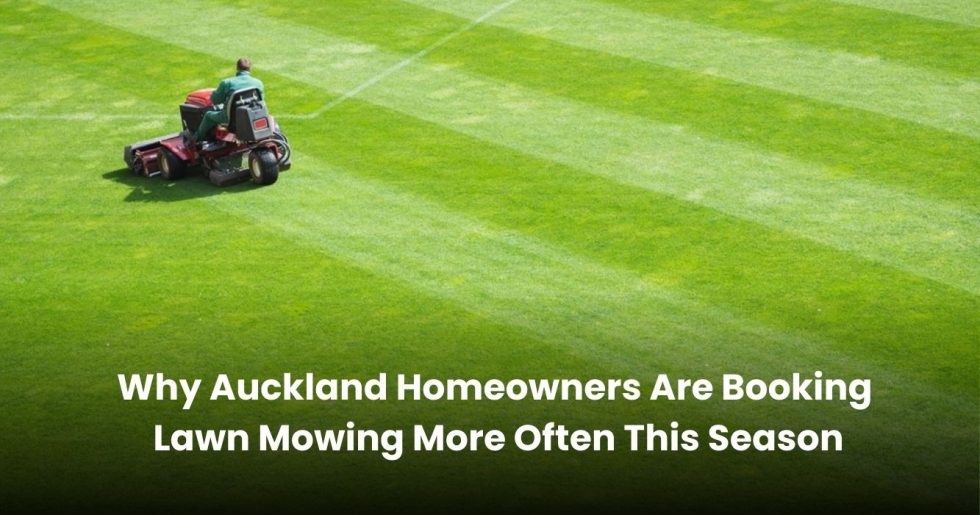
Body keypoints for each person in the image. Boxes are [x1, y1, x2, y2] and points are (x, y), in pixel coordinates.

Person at [191, 58, 265, 144]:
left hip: (230, 118)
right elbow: (260, 101)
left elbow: (215, 101)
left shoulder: (227, 83)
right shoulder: (258, 83)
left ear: (237, 68)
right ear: (250, 68)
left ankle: (196, 140)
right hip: (252, 116)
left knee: (208, 115)